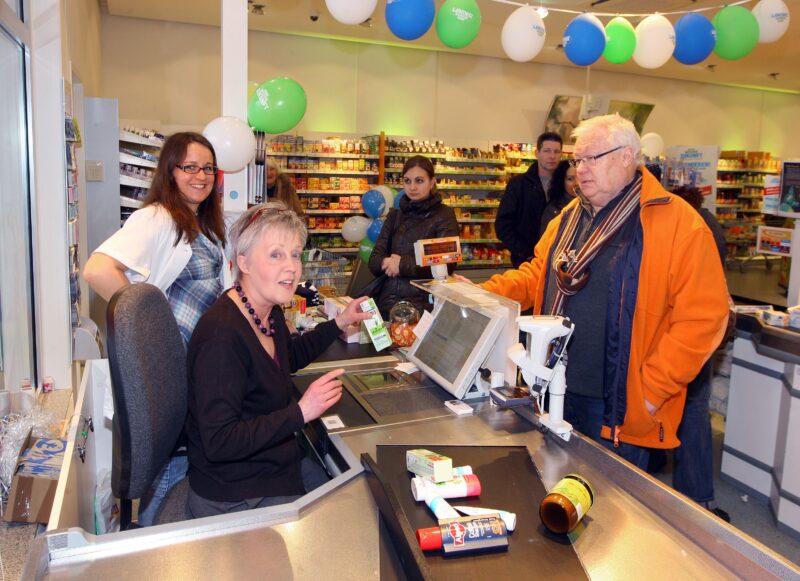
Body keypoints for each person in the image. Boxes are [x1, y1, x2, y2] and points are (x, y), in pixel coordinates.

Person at [479, 114, 729, 469]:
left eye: (591, 158)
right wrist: (481, 293)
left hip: (618, 403)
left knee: (611, 513)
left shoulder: (679, 224)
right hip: (554, 387)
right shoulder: (568, 217)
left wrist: (653, 391)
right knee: (551, 489)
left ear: (627, 156)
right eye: (577, 160)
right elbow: (538, 275)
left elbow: (703, 318)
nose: (581, 169)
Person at [184, 202, 370, 518]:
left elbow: (288, 356)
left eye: (295, 254)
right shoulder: (221, 336)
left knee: (357, 491)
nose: (291, 267)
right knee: (353, 512)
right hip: (237, 494)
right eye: (275, 255)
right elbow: (219, 441)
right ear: (243, 262)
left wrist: (338, 323)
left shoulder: (266, 311)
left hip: (269, 465)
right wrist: (301, 412)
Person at [83, 131, 227, 525]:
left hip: (193, 365)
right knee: (166, 461)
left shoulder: (203, 223)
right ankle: (150, 544)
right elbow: (97, 269)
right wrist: (150, 331)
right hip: (169, 368)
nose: (200, 175)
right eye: (190, 167)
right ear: (171, 171)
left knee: (178, 457)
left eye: (208, 168)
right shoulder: (158, 217)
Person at [665, 185, 730, 521]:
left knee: (691, 409)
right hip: (697, 334)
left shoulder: (690, 228)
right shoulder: (707, 225)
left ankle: (697, 500)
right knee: (692, 411)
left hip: (690, 335)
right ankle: (697, 498)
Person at [367, 155, 459, 317]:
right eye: (407, 181)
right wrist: (386, 262)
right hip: (386, 305)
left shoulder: (444, 215)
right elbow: (374, 260)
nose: (412, 187)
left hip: (424, 306)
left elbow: (447, 263)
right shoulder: (395, 215)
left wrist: (401, 264)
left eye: (419, 181)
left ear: (432, 182)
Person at [495, 132, 563, 268]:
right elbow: (503, 225)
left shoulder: (565, 185)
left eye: (556, 151)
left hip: (557, 262)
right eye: (547, 151)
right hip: (526, 262)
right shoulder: (518, 184)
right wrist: (524, 253)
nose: (552, 156)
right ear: (537, 153)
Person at [540, 160, 578, 233]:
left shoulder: (593, 205)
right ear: (562, 182)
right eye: (570, 179)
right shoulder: (553, 211)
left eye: (579, 177)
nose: (576, 183)